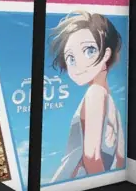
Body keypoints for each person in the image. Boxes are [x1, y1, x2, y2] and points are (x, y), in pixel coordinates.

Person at [48, 12, 125, 181]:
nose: (79, 64)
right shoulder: (113, 105)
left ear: (106, 53)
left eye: (89, 50)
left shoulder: (95, 93)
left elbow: (91, 158)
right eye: (71, 58)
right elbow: (120, 159)